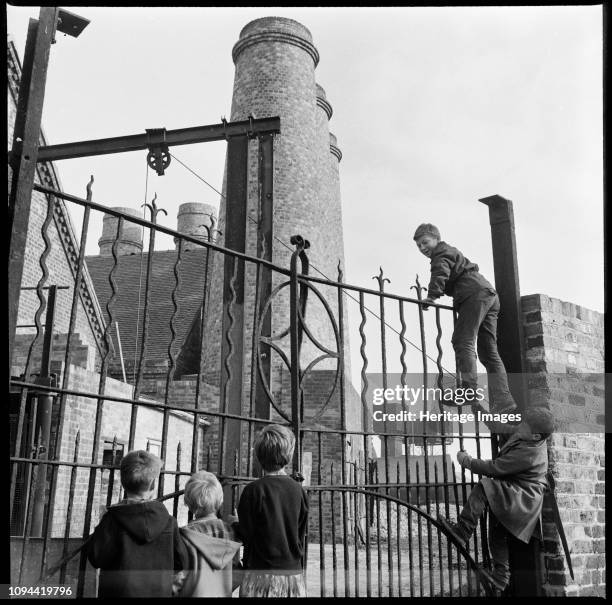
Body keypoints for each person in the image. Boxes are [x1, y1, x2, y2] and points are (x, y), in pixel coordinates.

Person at [437, 406, 555, 592]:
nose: (520, 427)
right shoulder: (525, 433)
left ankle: (462, 532)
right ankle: (501, 577)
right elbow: (497, 425)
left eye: (525, 426)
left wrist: (466, 461)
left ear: (536, 437)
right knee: (497, 532)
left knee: (484, 486)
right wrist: (477, 408)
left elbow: (494, 468)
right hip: (513, 492)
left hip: (522, 499)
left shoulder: (530, 453)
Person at [413, 223, 517, 413]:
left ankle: (469, 390)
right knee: (488, 351)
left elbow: (440, 273)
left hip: (473, 294)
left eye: (425, 242)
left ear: (436, 239)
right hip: (489, 295)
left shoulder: (441, 253)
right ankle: (504, 400)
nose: (422, 248)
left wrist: (432, 296)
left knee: (463, 341)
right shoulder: (450, 251)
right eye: (419, 246)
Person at [87, 450, 188, 598]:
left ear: (123, 482)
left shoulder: (112, 520)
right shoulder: (169, 522)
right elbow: (182, 562)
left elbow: (96, 557)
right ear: (153, 484)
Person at [236, 424, 309, 597]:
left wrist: (233, 524)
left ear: (259, 455)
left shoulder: (253, 490)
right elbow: (301, 531)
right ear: (289, 456)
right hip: (293, 575)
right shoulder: (298, 491)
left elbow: (246, 534)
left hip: (259, 574)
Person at [173, 471, 242, 597]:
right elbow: (237, 573)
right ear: (220, 501)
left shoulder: (184, 535)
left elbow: (178, 579)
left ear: (188, 502)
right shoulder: (230, 533)